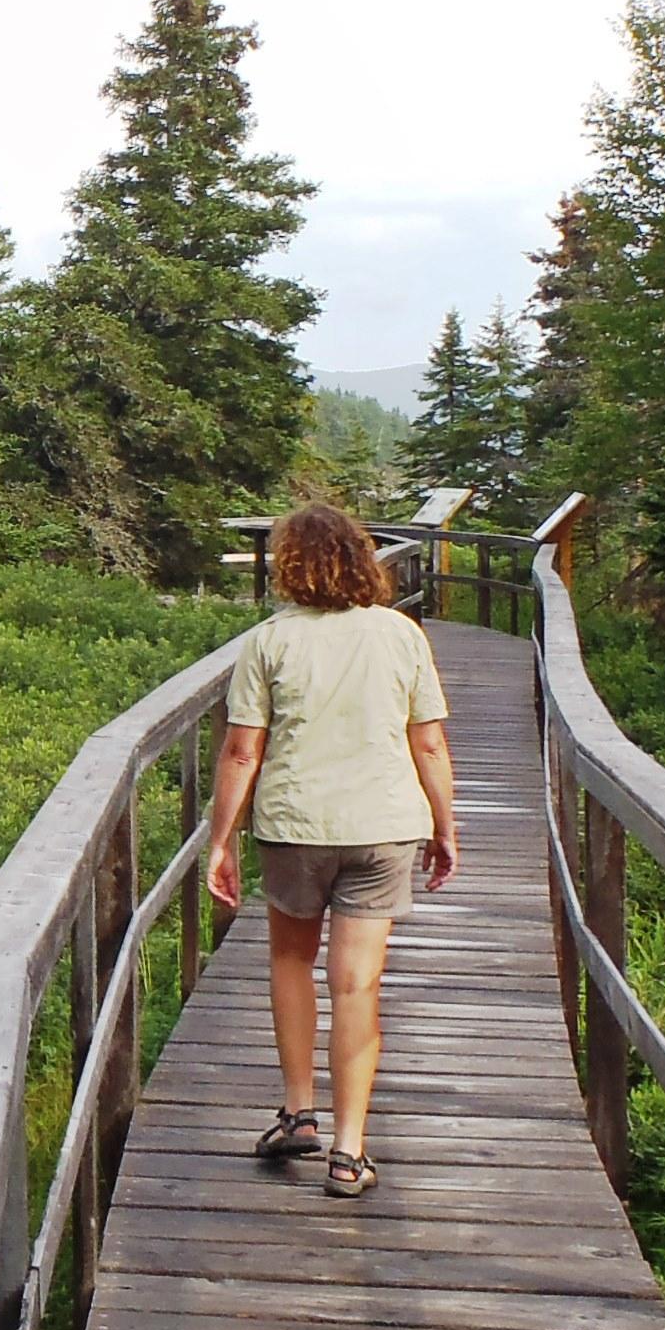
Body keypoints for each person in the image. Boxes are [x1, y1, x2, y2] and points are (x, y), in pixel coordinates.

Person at [200, 502, 459, 1199]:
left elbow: (241, 750)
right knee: (357, 983)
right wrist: (444, 824)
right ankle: (350, 1152)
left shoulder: (268, 642)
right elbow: (428, 740)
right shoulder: (401, 635)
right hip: (383, 827)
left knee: (290, 959)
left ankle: (297, 1114)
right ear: (360, 559)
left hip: (295, 826)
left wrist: (219, 840)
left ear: (290, 565)